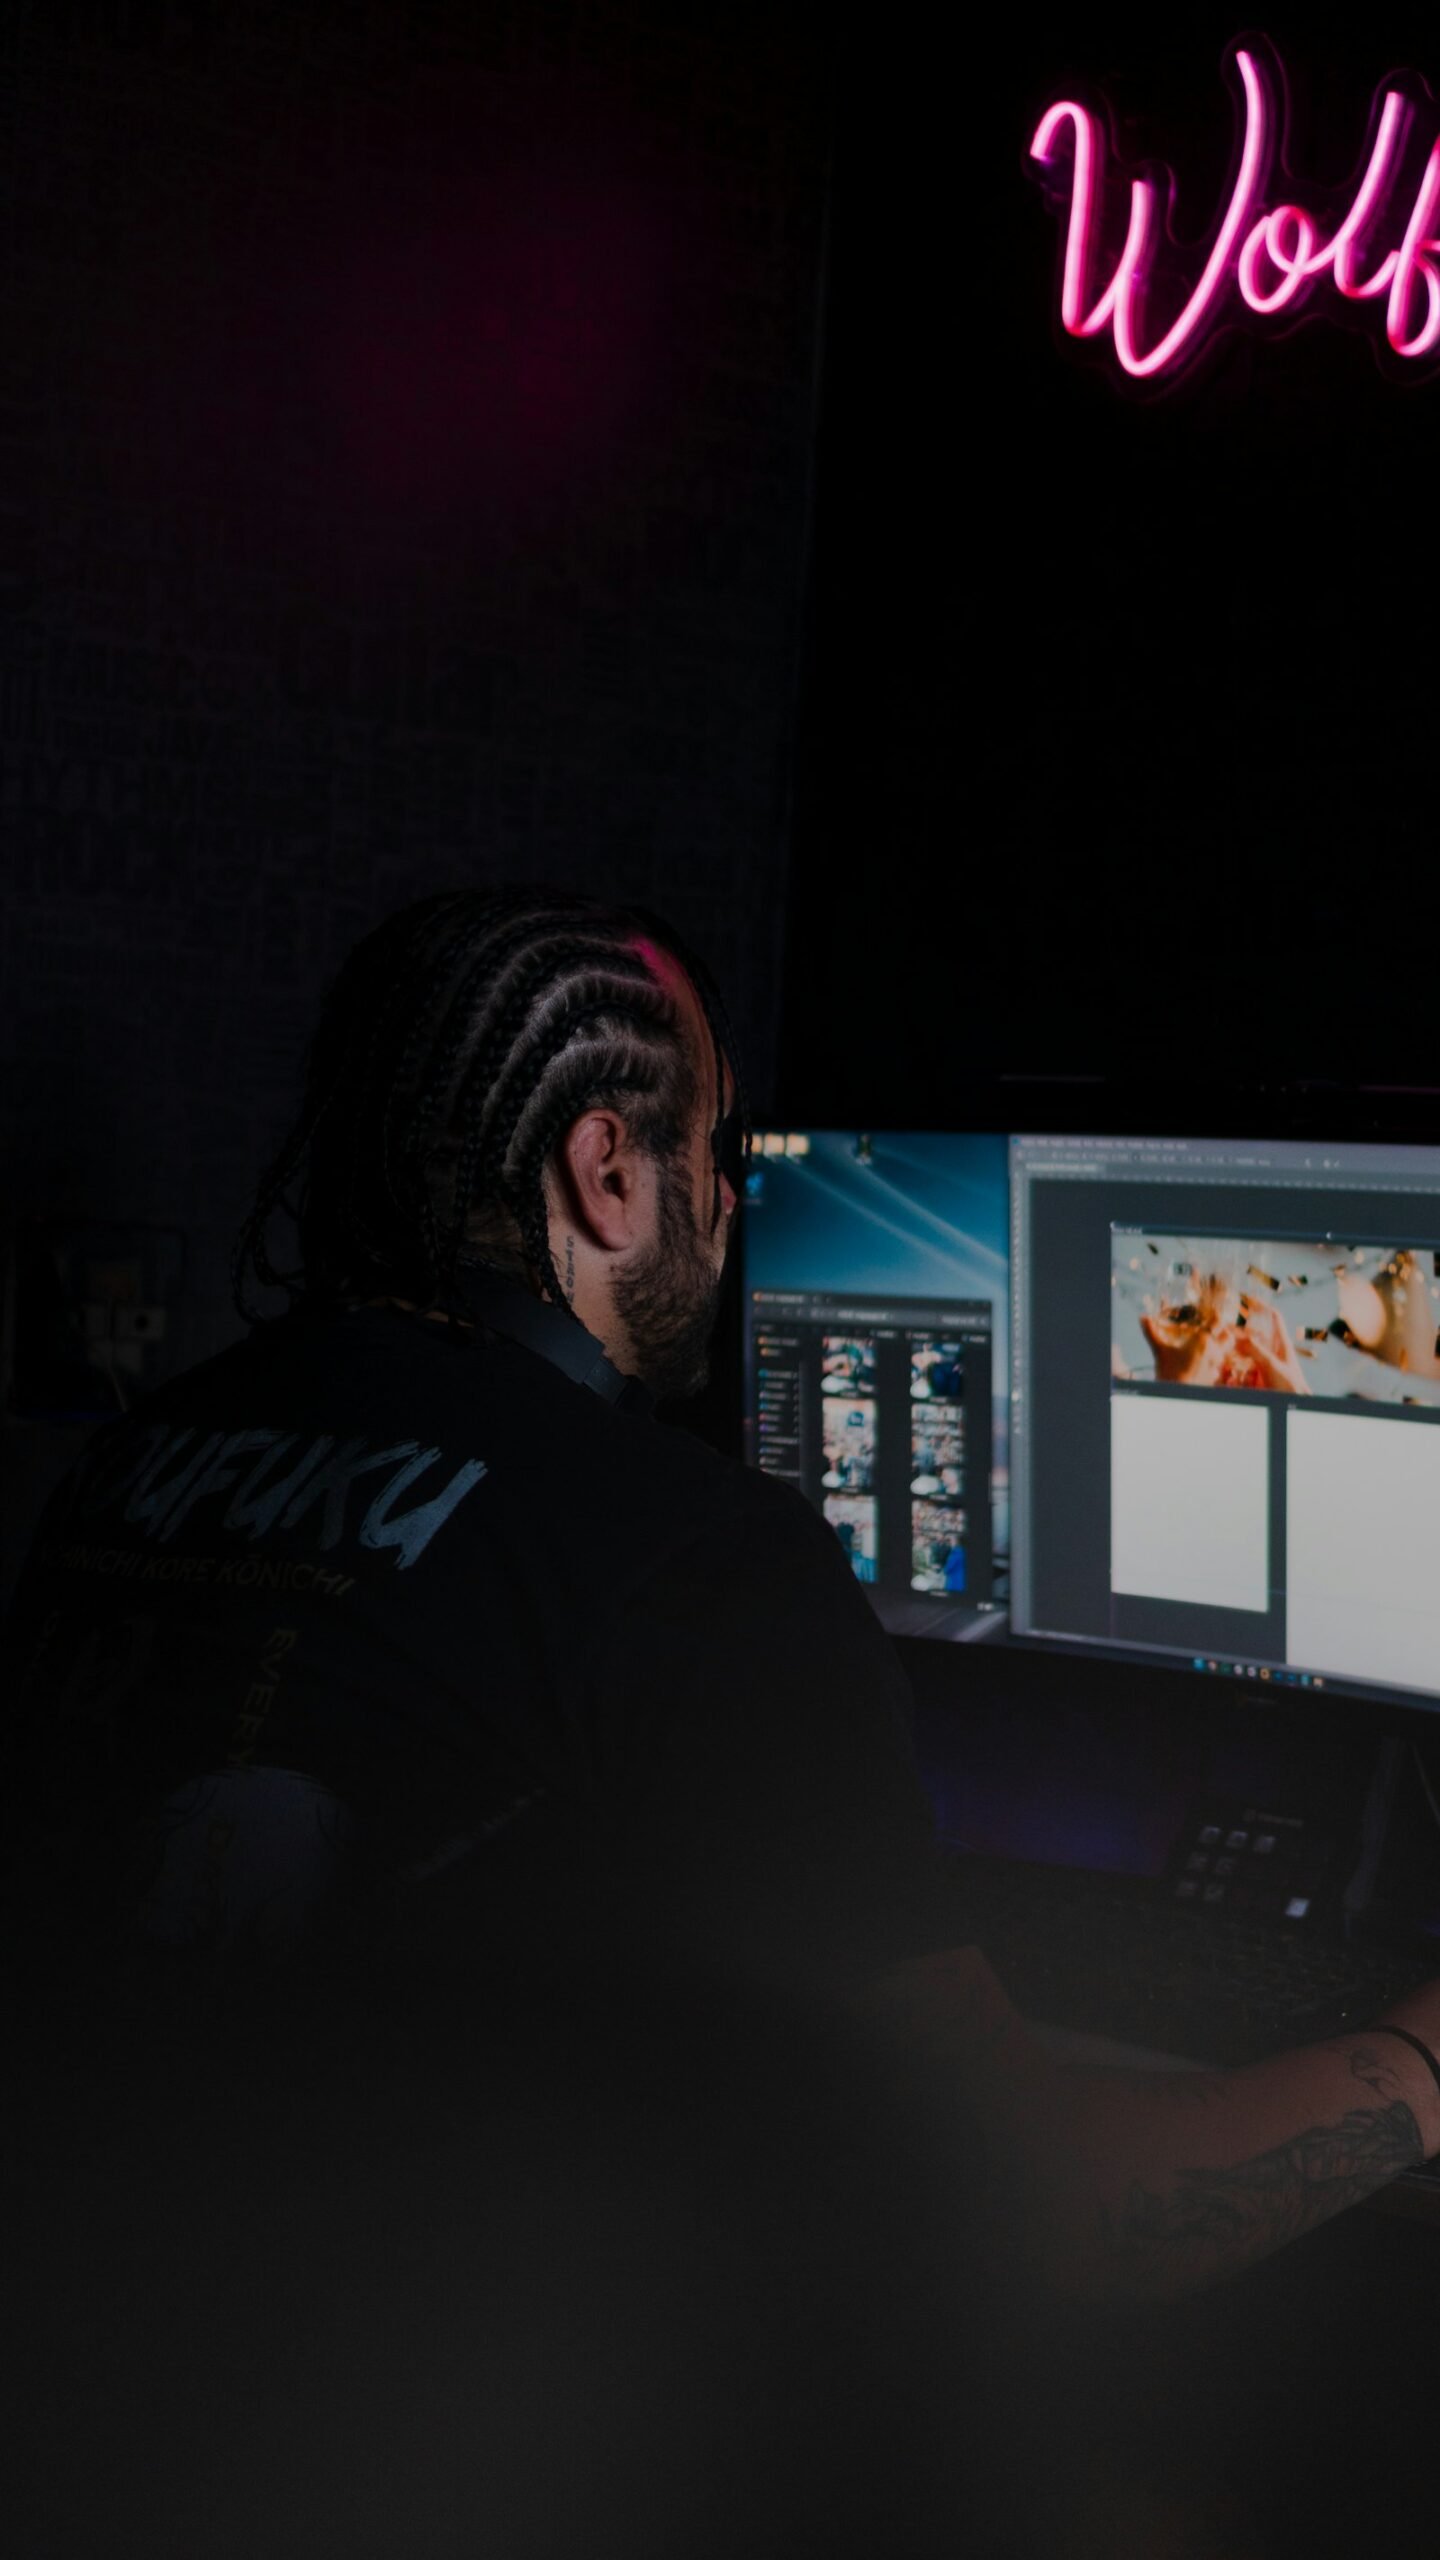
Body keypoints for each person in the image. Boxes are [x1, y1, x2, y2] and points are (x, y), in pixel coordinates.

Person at [7, 885, 1440, 2556]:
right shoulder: (682, 1552)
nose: (732, 1202)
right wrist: (1418, 2057)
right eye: (716, 1153)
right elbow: (1020, 2222)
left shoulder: (125, 1468)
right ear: (605, 1172)